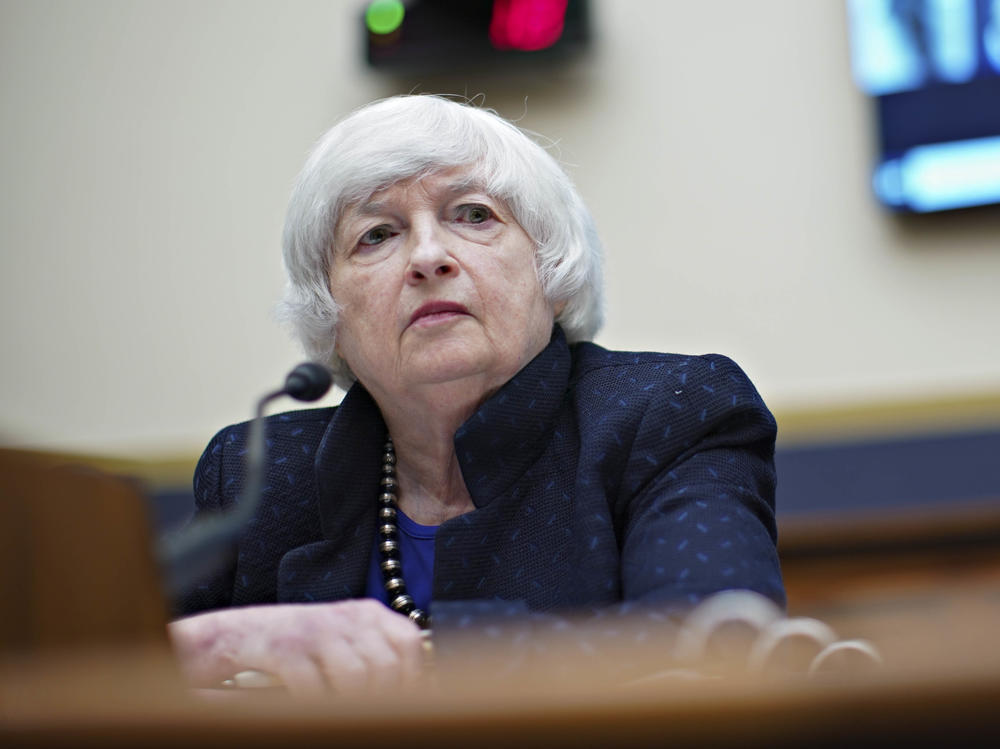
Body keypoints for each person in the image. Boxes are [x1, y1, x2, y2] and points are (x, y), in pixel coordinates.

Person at [168, 95, 784, 694]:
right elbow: (110, 667)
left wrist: (395, 656)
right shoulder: (262, 474)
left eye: (473, 215)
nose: (428, 256)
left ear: (553, 273)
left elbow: (714, 643)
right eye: (377, 234)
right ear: (331, 317)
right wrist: (221, 643)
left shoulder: (668, 412)